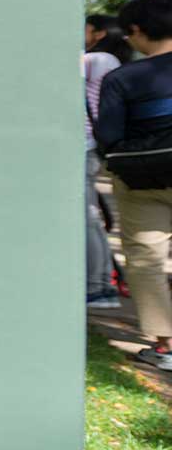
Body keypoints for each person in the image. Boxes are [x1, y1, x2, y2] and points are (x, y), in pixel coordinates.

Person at [96, 0, 172, 368]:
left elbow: (108, 136)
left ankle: (166, 346)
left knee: (147, 259)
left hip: (144, 181)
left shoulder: (123, 78)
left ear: (137, 31)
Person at [85, 17, 125, 308]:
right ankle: (101, 284)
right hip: (90, 146)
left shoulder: (98, 58)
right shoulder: (108, 60)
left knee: (88, 217)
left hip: (84, 146)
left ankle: (99, 287)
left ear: (99, 33)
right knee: (90, 216)